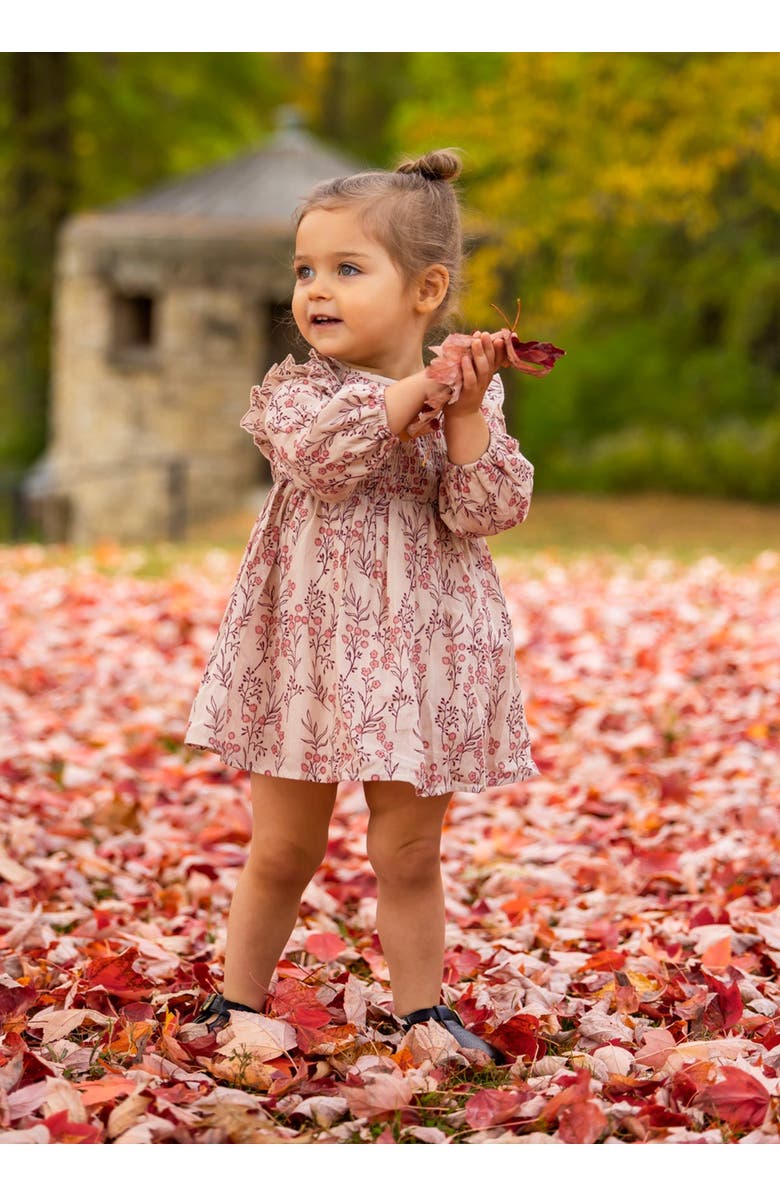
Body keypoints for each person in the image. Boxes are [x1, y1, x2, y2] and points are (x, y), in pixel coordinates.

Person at [183, 148, 540, 1065]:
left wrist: (462, 412)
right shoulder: (298, 393)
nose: (317, 290)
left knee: (409, 852)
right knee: (282, 848)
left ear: (426, 290)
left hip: (421, 659)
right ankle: (237, 999)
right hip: (306, 653)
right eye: (305, 271)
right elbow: (321, 459)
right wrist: (420, 392)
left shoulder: (469, 403)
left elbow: (487, 509)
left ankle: (423, 1014)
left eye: (347, 268)